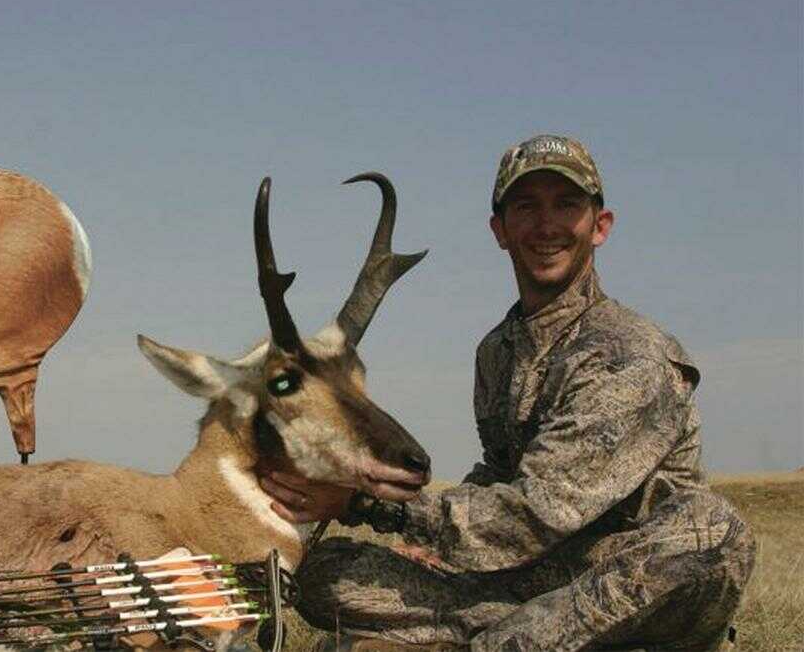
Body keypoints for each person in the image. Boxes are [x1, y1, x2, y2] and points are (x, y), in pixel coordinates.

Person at [258, 134, 756, 651]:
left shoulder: (630, 354)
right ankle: (519, 633)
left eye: (567, 205)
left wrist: (372, 503)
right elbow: (501, 473)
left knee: (708, 529)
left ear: (600, 226)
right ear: (500, 230)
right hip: (541, 575)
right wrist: (431, 546)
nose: (547, 226)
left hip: (631, 577)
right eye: (526, 207)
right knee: (329, 572)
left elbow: (537, 511)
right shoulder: (498, 351)